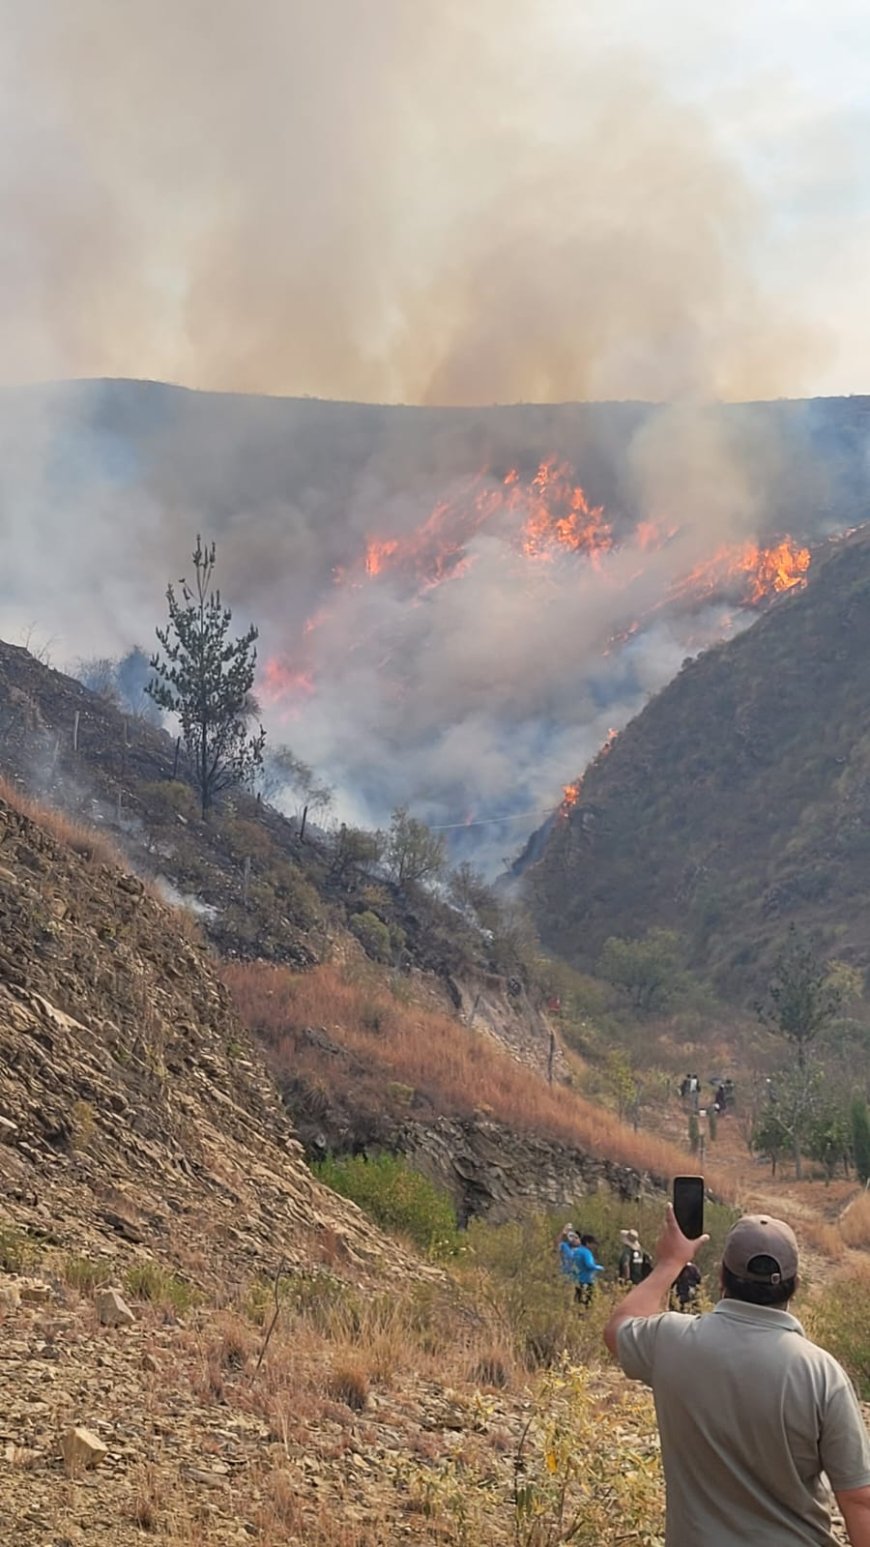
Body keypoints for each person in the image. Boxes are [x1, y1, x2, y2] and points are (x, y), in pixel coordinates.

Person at [604, 1209, 870, 1546]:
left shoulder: (670, 1340)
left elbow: (618, 1327)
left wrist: (671, 1262)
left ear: (721, 1277)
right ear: (795, 1286)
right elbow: (859, 1498)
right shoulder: (821, 1373)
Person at [573, 1232, 605, 1307]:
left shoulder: (577, 1251)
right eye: (592, 1244)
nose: (594, 1246)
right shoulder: (586, 1253)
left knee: (579, 1300)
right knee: (588, 1302)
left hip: (578, 1279)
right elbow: (589, 1265)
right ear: (587, 1243)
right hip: (587, 1280)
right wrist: (598, 1267)